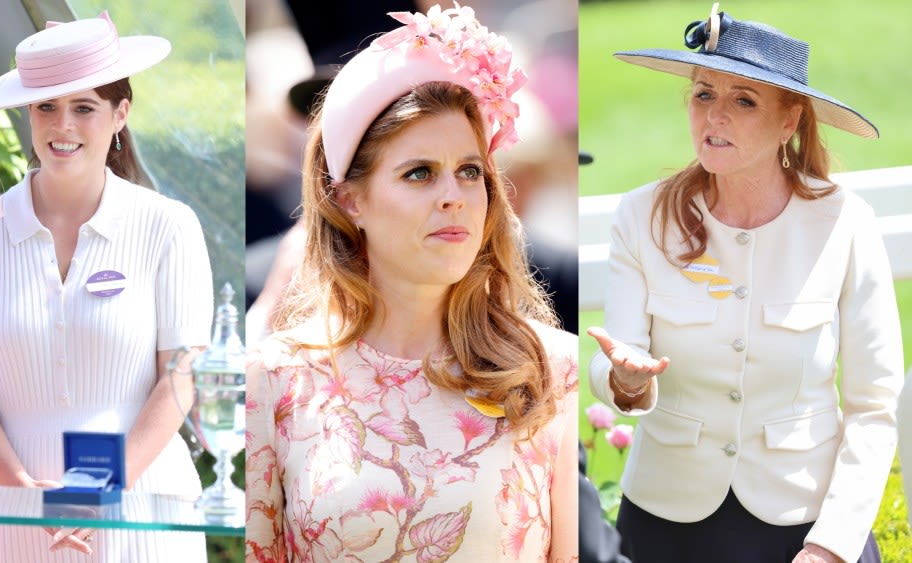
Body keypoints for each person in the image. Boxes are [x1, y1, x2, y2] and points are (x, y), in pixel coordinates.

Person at [244, 4, 578, 561]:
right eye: (418, 172)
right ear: (350, 199)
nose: (454, 196)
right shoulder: (273, 378)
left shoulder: (552, 368)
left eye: (470, 171)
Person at [586, 6, 903, 563]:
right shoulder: (640, 216)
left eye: (743, 100)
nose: (715, 116)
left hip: (805, 526)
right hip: (667, 524)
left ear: (790, 122)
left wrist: (831, 546)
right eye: (704, 94)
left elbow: (874, 406)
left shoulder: (844, 221)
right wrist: (626, 380)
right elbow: (621, 351)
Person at [0, 12, 213, 561]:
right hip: (11, 513)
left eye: (83, 107)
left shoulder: (169, 226)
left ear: (120, 114)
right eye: (46, 106)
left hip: (141, 506)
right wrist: (22, 492)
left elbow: (178, 377)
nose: (62, 126)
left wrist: (106, 491)